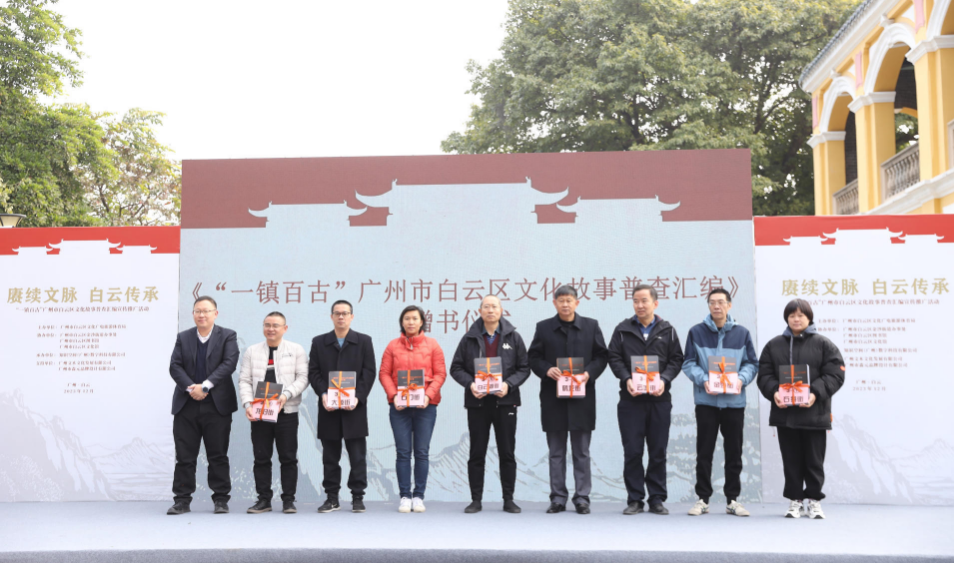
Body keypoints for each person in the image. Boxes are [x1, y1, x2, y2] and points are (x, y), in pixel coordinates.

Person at [757, 299, 845, 519]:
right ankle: (795, 500)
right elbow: (764, 375)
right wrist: (774, 392)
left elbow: (835, 374)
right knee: (791, 461)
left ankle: (814, 501)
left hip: (815, 414)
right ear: (786, 318)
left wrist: (814, 393)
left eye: (800, 315)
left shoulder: (824, 344)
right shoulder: (774, 345)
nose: (796, 319)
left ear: (809, 318)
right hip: (786, 414)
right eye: (792, 315)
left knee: (814, 461)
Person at [528, 285, 607, 515]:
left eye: (569, 300)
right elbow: (533, 357)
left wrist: (588, 373)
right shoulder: (543, 327)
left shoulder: (591, 326)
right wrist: (546, 369)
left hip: (582, 398)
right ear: (554, 303)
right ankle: (558, 498)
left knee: (581, 451)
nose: (565, 304)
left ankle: (582, 498)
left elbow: (602, 356)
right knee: (556, 452)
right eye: (561, 300)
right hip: (553, 398)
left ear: (576, 303)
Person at [449, 295, 531, 514]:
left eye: (494, 306)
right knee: (477, 452)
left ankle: (508, 499)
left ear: (501, 310)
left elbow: (524, 368)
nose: (490, 310)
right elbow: (456, 368)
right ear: (480, 311)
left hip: (505, 402)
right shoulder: (469, 338)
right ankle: (476, 500)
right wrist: (471, 384)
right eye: (486, 307)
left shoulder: (513, 337)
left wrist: (508, 385)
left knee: (507, 452)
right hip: (478, 403)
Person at [607, 284, 683, 516]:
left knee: (658, 450)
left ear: (655, 303)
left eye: (644, 301)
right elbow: (614, 357)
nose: (639, 305)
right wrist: (626, 378)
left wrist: (665, 379)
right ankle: (635, 499)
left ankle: (657, 499)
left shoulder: (667, 330)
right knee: (633, 451)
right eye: (636, 301)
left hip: (659, 399)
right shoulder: (622, 330)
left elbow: (676, 359)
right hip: (631, 400)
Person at [680, 288, 757, 517]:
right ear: (708, 306)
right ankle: (702, 499)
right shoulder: (696, 332)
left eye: (721, 302)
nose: (717, 306)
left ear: (729, 305)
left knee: (734, 452)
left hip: (734, 403)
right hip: (707, 402)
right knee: (704, 452)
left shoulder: (742, 333)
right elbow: (688, 362)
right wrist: (704, 379)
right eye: (712, 302)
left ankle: (732, 500)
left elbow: (752, 363)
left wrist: (740, 379)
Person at [167, 296, 240, 515]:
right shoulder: (183, 337)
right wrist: (192, 388)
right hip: (186, 404)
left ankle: (221, 499)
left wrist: (205, 386)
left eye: (206, 311)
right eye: (198, 311)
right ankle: (182, 500)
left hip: (217, 406)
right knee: (185, 456)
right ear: (193, 314)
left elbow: (229, 364)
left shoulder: (227, 336)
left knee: (218, 454)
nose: (202, 315)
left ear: (215, 314)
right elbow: (175, 366)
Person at [308, 300, 376, 514]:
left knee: (357, 456)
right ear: (331, 317)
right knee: (330, 457)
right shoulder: (319, 342)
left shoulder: (364, 341)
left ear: (351, 317)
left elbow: (369, 372)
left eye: (345, 313)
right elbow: (313, 372)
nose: (341, 317)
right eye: (337, 313)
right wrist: (323, 393)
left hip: (354, 408)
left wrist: (358, 397)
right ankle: (332, 498)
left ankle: (357, 497)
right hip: (328, 408)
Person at [238, 311, 309, 514]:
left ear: (285, 328)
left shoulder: (296, 350)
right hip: (260, 412)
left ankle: (288, 500)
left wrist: (286, 395)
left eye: (275, 325)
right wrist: (248, 404)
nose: (271, 329)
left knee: (288, 457)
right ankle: (264, 500)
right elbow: (244, 380)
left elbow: (303, 378)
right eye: (267, 325)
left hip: (287, 411)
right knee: (261, 458)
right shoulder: (252, 351)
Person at [379, 305, 447, 513]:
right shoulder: (392, 346)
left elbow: (440, 374)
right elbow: (384, 373)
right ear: (402, 322)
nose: (411, 322)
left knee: (422, 452)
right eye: (407, 318)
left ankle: (418, 496)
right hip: (399, 407)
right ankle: (404, 496)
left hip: (426, 406)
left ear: (422, 322)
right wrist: (393, 396)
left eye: (415, 318)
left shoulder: (432, 345)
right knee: (402, 452)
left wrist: (428, 395)